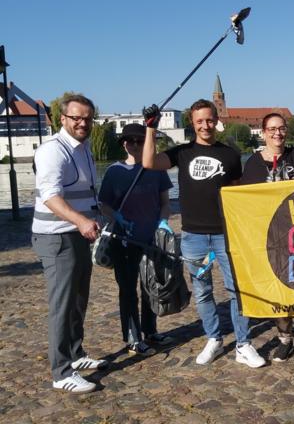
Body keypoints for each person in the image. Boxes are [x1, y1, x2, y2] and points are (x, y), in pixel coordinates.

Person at [142, 99, 266, 368]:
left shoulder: (231, 154)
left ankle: (243, 344)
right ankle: (214, 338)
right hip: (193, 236)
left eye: (209, 120)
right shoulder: (182, 152)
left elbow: (238, 194)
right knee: (202, 291)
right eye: (200, 121)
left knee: (237, 290)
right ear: (192, 123)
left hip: (226, 234)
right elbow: (149, 162)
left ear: (215, 121)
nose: (205, 125)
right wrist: (150, 128)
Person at [32, 94, 106, 394]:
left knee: (78, 299)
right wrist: (80, 221)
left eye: (87, 118)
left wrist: (97, 216)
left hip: (77, 235)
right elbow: (51, 196)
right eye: (76, 117)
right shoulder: (53, 151)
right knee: (62, 305)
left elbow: (86, 191)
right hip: (56, 237)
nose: (82, 123)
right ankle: (61, 372)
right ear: (62, 118)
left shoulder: (84, 148)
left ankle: (75, 354)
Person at [241, 113, 294, 362]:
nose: (277, 133)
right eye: (272, 129)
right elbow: (245, 204)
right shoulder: (253, 164)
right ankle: (285, 338)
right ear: (263, 132)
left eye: (282, 128)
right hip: (272, 237)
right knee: (280, 290)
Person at [98, 123, 174, 357]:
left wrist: (163, 223)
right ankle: (132, 337)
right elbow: (103, 204)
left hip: (150, 239)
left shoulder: (156, 169)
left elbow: (165, 202)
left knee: (151, 287)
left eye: (140, 141)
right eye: (130, 141)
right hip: (124, 241)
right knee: (128, 290)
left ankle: (150, 331)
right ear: (123, 144)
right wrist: (117, 217)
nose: (135, 145)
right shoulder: (114, 172)